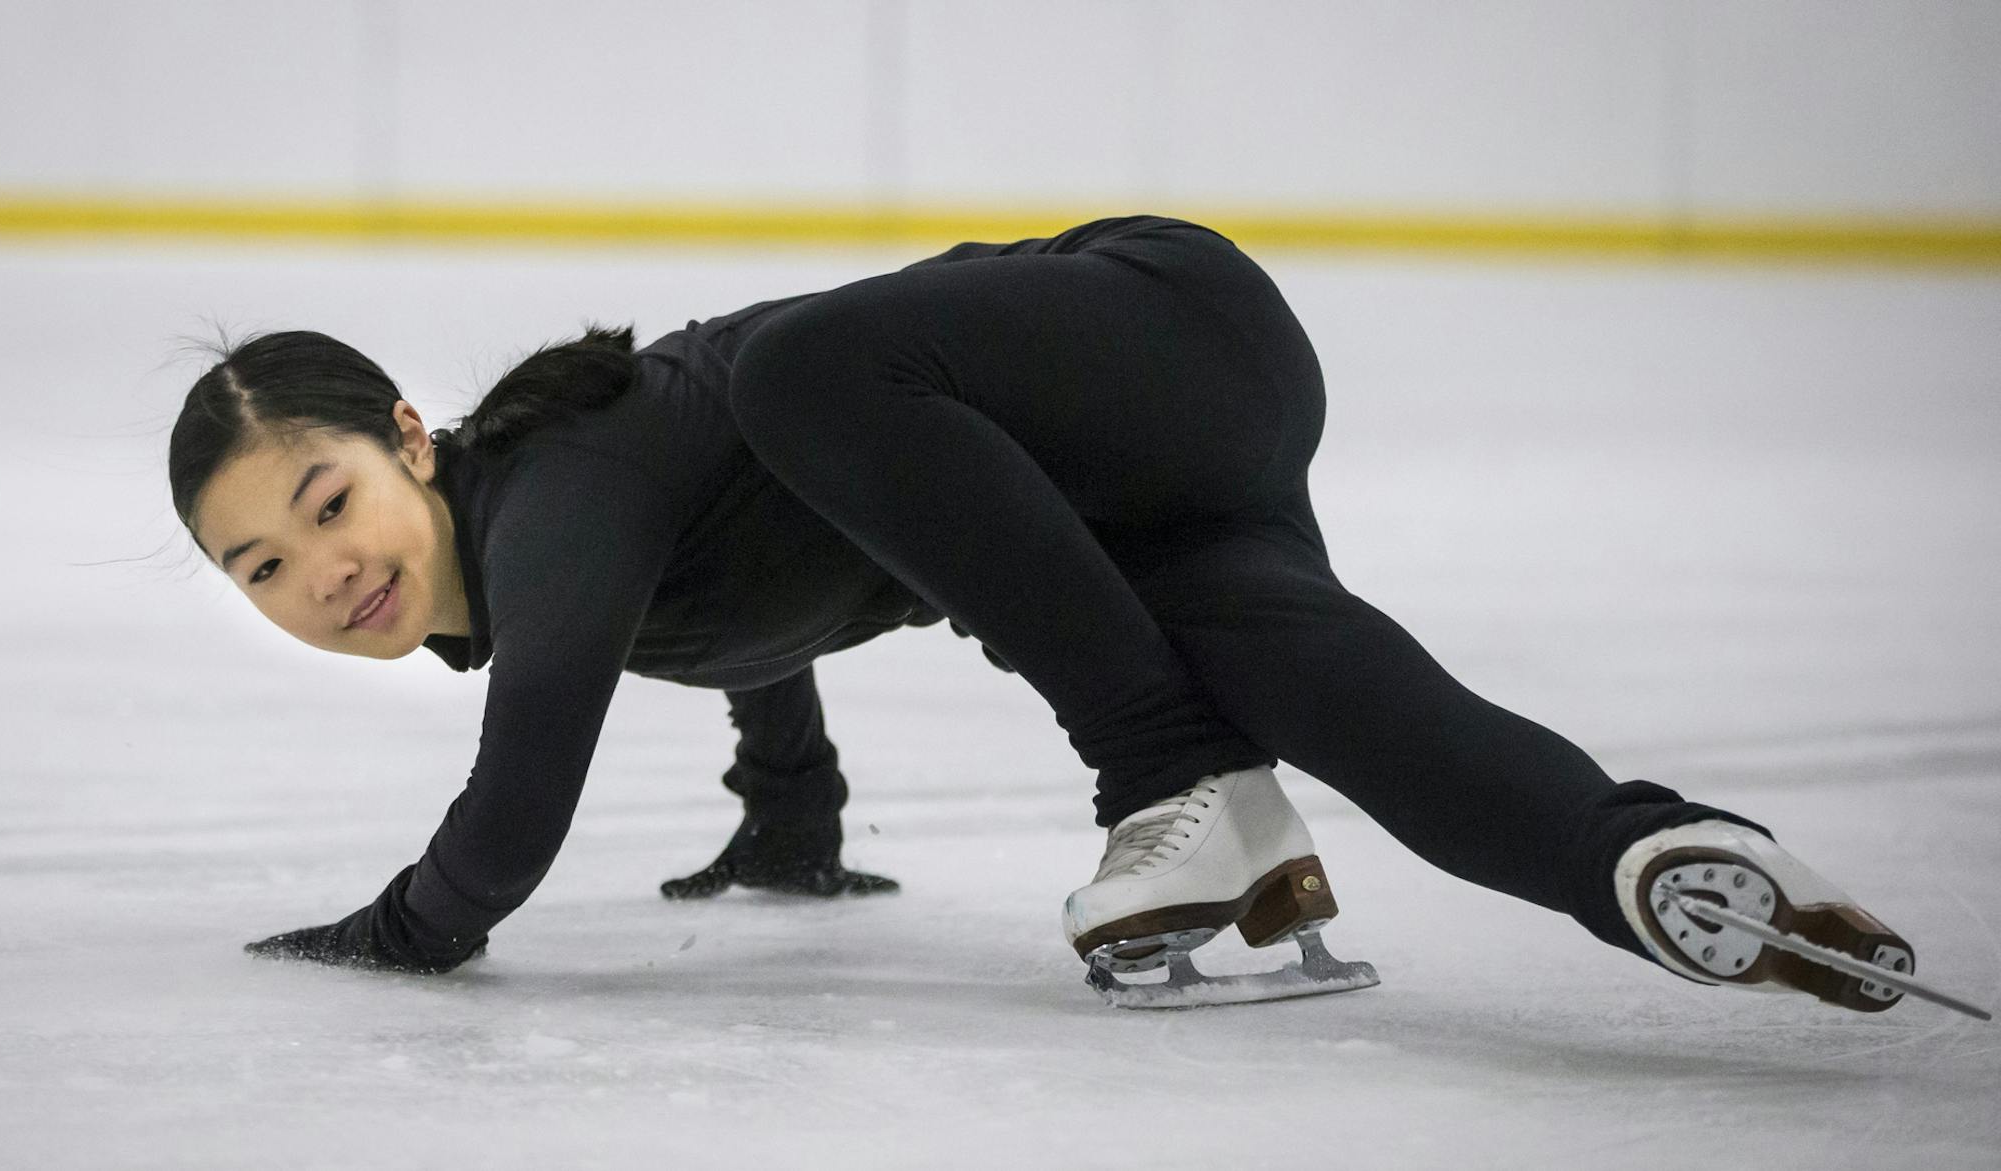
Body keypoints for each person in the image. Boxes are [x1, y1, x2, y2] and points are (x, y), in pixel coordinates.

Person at [168, 215, 1915, 1012]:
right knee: (1305, 684)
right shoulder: (586, 561)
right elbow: (740, 649)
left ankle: (1166, 781)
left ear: (413, 439)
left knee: (796, 365)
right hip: (1124, 488)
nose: (319, 572)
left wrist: (410, 930)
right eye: (261, 569)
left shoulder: (552, 506)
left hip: (1154, 319)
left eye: (322, 503)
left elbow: (525, 780)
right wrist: (792, 821)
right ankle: (1664, 864)